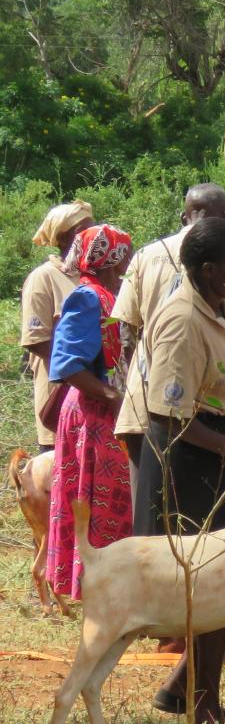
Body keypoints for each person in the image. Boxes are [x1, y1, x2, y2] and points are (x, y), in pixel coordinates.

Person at [135, 217, 225, 724]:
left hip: (219, 448)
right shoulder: (180, 319)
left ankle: (184, 687)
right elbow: (169, 416)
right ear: (211, 270)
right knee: (215, 581)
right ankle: (204, 707)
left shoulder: (223, 310)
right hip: (187, 460)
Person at [114, 184, 225, 474]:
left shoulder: (146, 256)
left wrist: (139, 386)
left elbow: (127, 336)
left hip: (146, 400)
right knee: (166, 508)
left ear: (183, 216)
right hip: (185, 427)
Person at [45, 225, 134, 600]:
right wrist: (111, 396)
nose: (130, 260)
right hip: (93, 414)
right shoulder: (87, 298)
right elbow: (67, 364)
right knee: (99, 503)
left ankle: (115, 586)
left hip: (107, 410)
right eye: (126, 253)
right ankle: (99, 587)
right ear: (112, 257)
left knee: (114, 502)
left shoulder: (110, 296)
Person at [21, 201, 94, 450]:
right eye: (82, 232)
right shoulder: (43, 278)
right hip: (60, 391)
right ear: (64, 239)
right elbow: (37, 340)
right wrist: (80, 375)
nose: (90, 238)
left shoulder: (92, 274)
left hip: (94, 396)